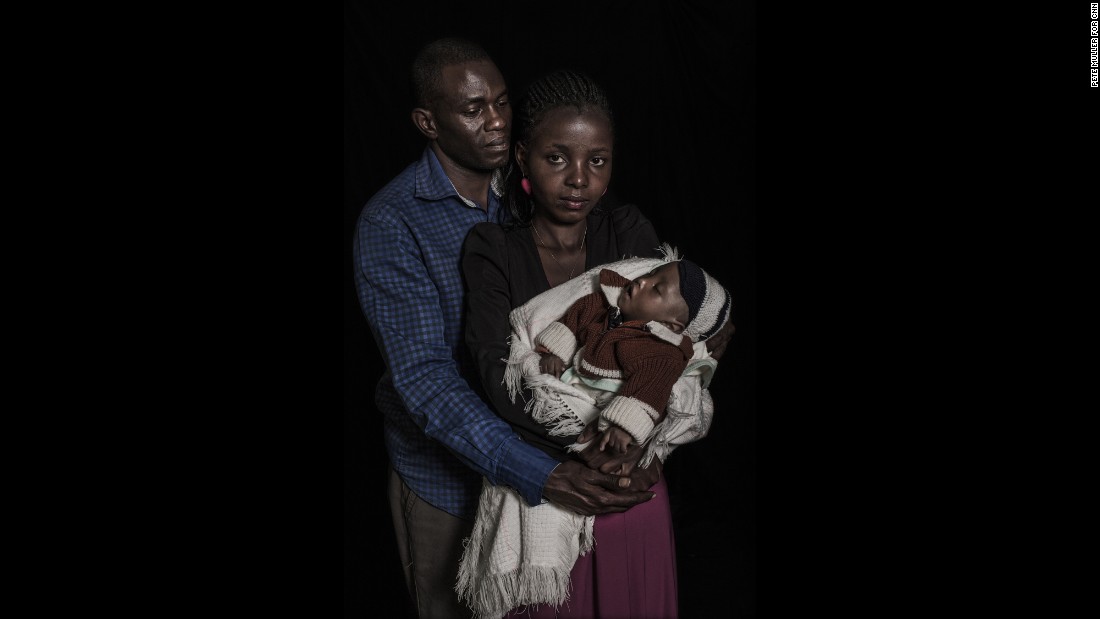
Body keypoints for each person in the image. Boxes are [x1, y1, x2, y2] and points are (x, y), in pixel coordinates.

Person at [352, 39, 660, 619]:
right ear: (427, 122)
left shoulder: (536, 185)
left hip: (559, 472)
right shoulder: (393, 222)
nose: (494, 120)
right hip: (451, 482)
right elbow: (424, 381)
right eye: (472, 110)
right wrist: (540, 472)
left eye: (500, 102)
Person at [460, 68, 735, 618]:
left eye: (598, 160)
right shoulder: (493, 249)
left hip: (627, 484)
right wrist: (583, 448)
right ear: (522, 158)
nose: (579, 179)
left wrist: (645, 447)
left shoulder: (626, 233)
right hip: (552, 482)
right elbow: (495, 369)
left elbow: (683, 348)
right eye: (557, 158)